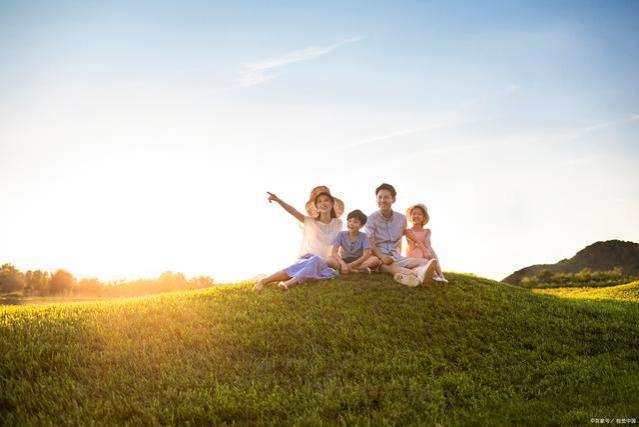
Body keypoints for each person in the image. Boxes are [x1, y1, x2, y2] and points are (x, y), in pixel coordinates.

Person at [253, 186, 344, 291]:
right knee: (314, 260)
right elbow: (293, 211)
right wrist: (278, 200)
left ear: (332, 204)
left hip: (326, 263)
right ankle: (263, 281)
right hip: (307, 259)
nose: (323, 203)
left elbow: (340, 244)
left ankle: (285, 282)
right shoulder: (310, 221)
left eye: (326, 200)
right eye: (319, 201)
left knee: (318, 261)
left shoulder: (338, 223)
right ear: (316, 206)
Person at [365, 183, 438, 287]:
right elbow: (369, 240)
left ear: (393, 199)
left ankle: (418, 273)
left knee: (424, 262)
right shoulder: (371, 219)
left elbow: (404, 236)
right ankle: (413, 275)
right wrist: (381, 257)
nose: (382, 200)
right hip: (379, 256)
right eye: (379, 197)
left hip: (396, 255)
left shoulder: (401, 219)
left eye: (386, 197)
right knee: (393, 267)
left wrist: (422, 247)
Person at [327, 209, 380, 274]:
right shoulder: (341, 234)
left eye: (355, 222)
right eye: (349, 221)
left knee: (375, 259)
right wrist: (343, 264)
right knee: (329, 259)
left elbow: (366, 255)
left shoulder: (364, 236)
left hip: (359, 261)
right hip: (344, 260)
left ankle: (347, 269)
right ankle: (356, 270)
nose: (351, 223)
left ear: (361, 225)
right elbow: (334, 252)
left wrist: (350, 265)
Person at [405, 203, 447, 282]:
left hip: (426, 253)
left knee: (431, 250)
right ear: (410, 216)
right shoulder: (408, 231)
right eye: (414, 214)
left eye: (419, 214)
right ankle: (432, 274)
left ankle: (440, 275)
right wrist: (425, 251)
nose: (416, 216)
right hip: (414, 254)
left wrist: (427, 252)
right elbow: (417, 243)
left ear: (424, 217)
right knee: (422, 251)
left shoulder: (427, 231)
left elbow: (427, 242)